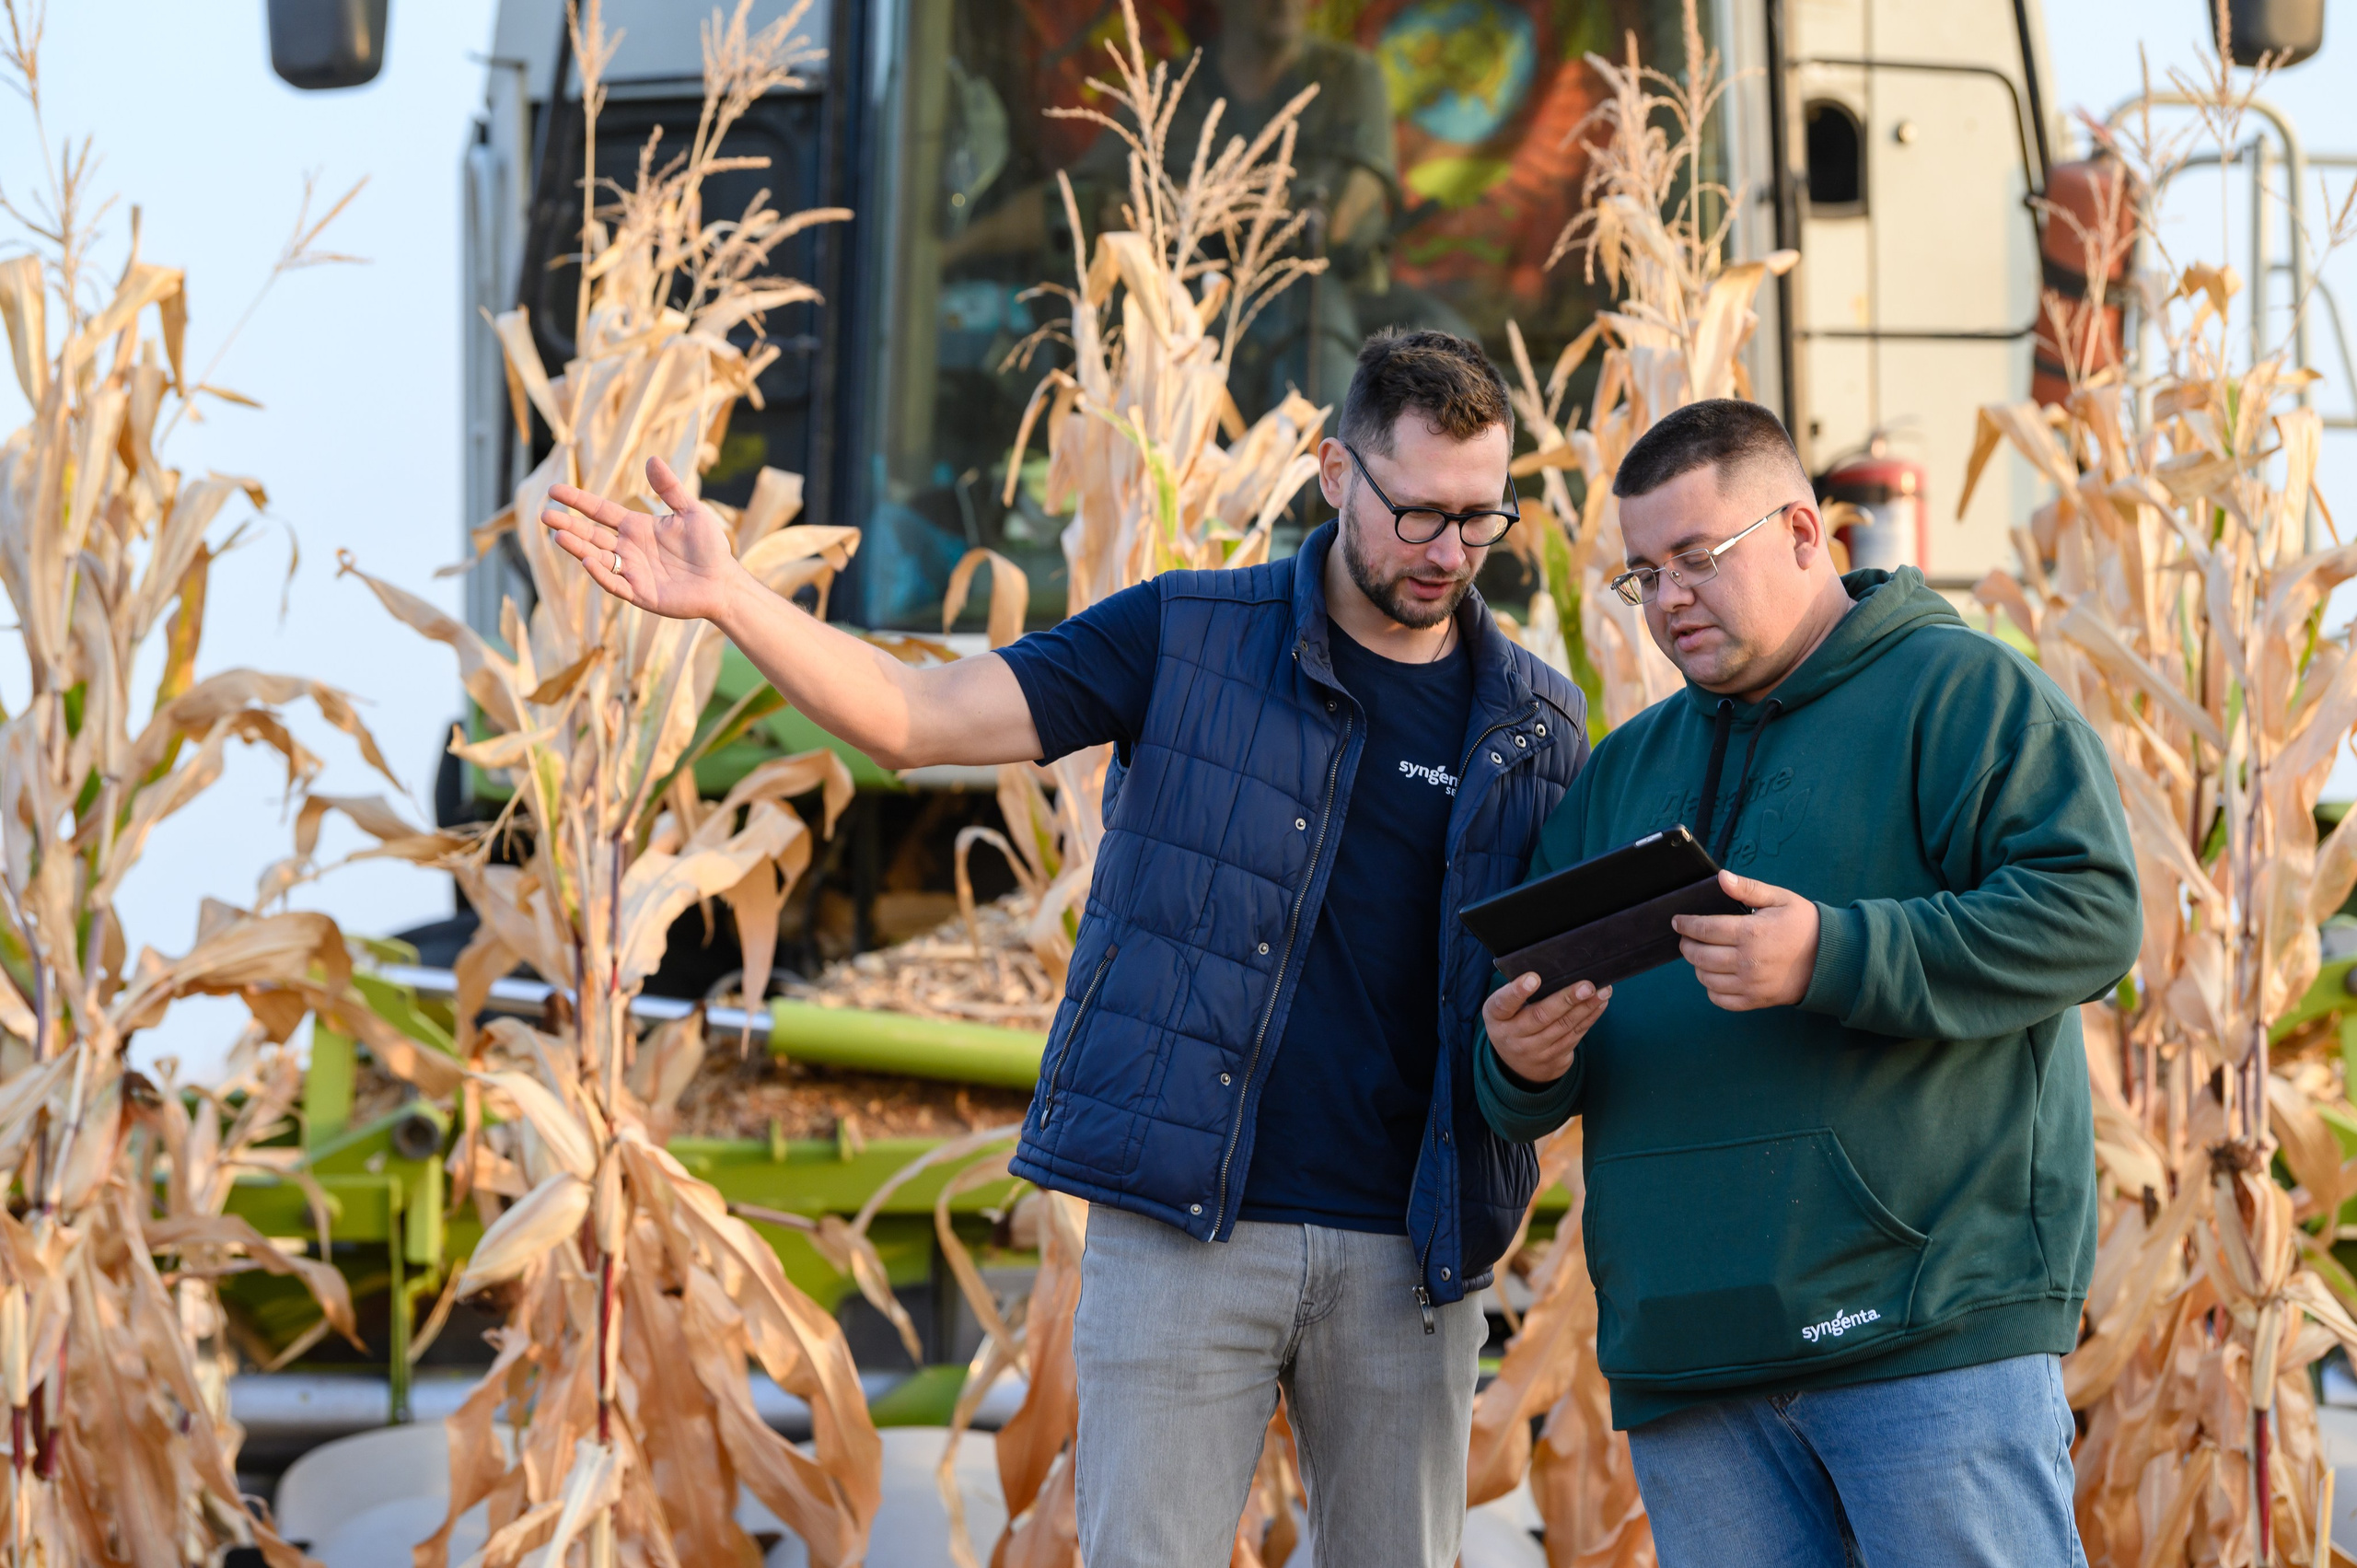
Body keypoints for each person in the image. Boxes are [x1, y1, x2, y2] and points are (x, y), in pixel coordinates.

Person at [541, 329, 1598, 1567]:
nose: (1449, 553)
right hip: (1187, 1233)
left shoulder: (1538, 721)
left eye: (1480, 520)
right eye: (1418, 514)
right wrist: (731, 598)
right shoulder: (1187, 634)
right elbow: (916, 716)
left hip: (1409, 1252)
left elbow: (1535, 998)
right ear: (1334, 472)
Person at [1478, 399, 2139, 1567]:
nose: (1668, 598)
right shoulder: (1622, 773)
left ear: (1800, 530)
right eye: (1643, 574)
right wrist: (1521, 1063)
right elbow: (1538, 1039)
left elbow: (2090, 913)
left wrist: (1831, 953)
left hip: (1922, 1331)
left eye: (1697, 556)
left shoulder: (1962, 696)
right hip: (1690, 1358)